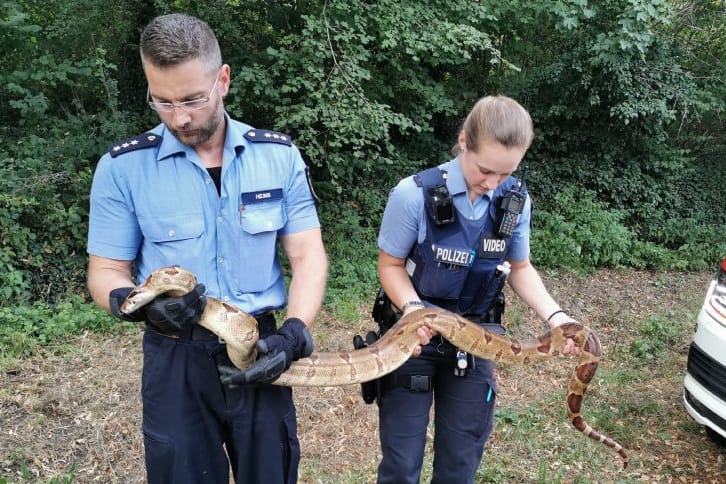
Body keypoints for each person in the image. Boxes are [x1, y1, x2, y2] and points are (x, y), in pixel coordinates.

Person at [86, 13, 327, 484]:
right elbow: (106, 270)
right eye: (163, 101)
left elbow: (307, 257)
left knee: (272, 473)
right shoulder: (122, 169)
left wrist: (295, 332)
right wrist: (131, 306)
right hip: (175, 356)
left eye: (193, 99)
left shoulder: (277, 156)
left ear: (223, 79)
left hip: (260, 347)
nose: (179, 117)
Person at [374, 95, 581, 483]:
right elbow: (390, 265)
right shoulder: (412, 194)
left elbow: (520, 269)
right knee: (401, 465)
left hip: (479, 338)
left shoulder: (515, 202)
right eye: (485, 170)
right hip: (414, 339)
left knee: (460, 462)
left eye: (504, 175)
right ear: (464, 140)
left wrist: (557, 317)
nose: (492, 184)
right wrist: (415, 311)